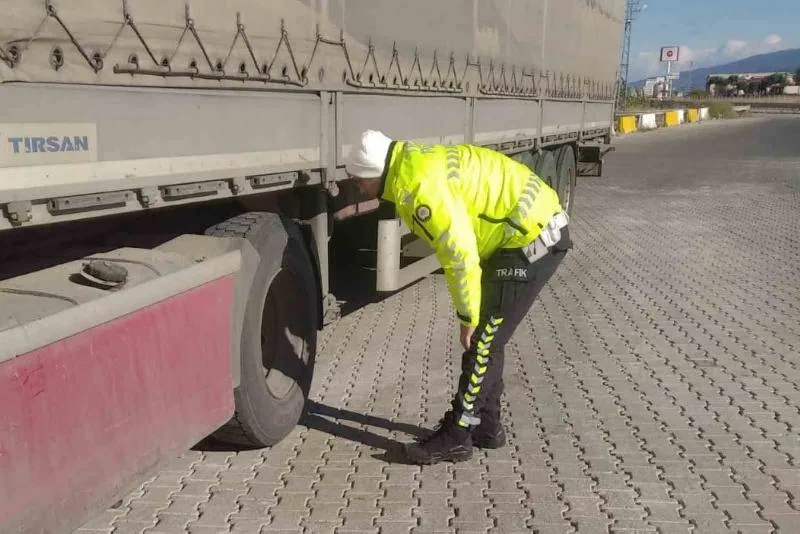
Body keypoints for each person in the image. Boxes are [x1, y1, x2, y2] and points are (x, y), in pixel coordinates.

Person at [344, 130, 573, 465]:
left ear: (376, 173)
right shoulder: (410, 162)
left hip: (532, 237)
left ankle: (457, 436)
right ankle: (488, 427)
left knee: (482, 340)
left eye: (358, 180)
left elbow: (460, 255)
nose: (357, 188)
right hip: (517, 231)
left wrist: (467, 318)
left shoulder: (418, 189)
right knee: (491, 339)